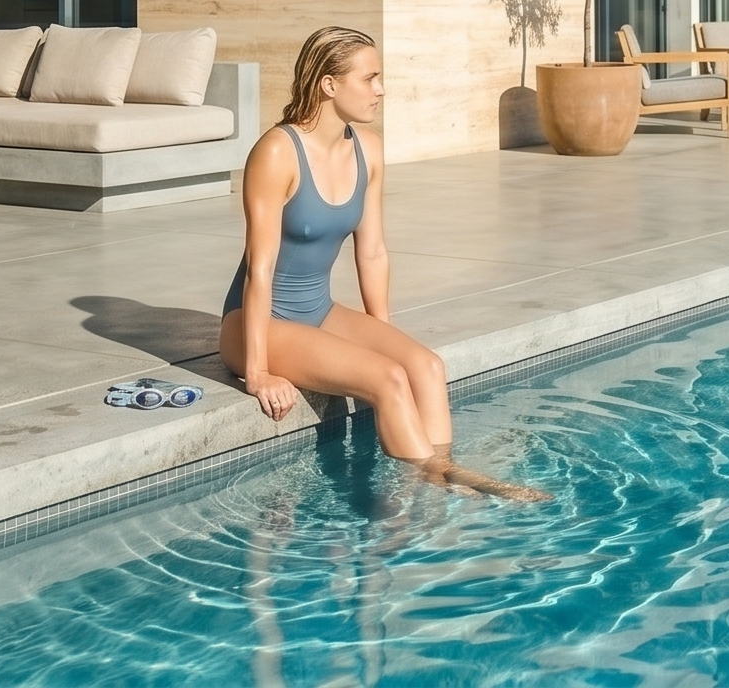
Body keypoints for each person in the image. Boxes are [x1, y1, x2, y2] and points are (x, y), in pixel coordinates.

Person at [222, 26, 543, 500]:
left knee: (425, 366)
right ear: (329, 84)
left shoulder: (367, 149)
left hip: (318, 311)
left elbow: (371, 250)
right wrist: (258, 371)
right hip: (259, 321)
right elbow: (260, 268)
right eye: (370, 78)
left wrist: (383, 337)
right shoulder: (277, 152)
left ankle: (442, 476)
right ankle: (438, 490)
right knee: (387, 379)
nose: (381, 89)